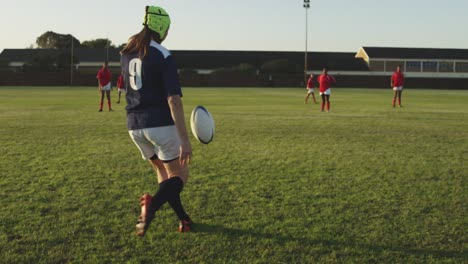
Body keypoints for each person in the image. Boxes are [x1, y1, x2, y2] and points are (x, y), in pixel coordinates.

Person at [120, 5, 193, 236]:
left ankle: (184, 219)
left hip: (134, 126)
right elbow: (174, 100)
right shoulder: (163, 54)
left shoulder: (127, 52)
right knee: (179, 175)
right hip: (159, 123)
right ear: (162, 27)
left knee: (163, 175)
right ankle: (151, 206)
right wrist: (184, 139)